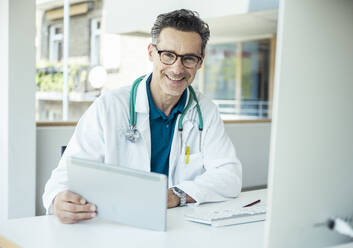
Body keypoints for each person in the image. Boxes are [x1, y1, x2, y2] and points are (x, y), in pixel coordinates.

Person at [43, 9, 242, 224]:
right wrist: (58, 200)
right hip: (114, 226)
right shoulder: (108, 107)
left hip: (177, 227)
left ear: (200, 62)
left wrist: (176, 195)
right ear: (151, 52)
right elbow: (62, 180)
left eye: (189, 59)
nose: (177, 68)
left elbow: (229, 176)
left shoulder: (205, 111)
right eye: (168, 55)